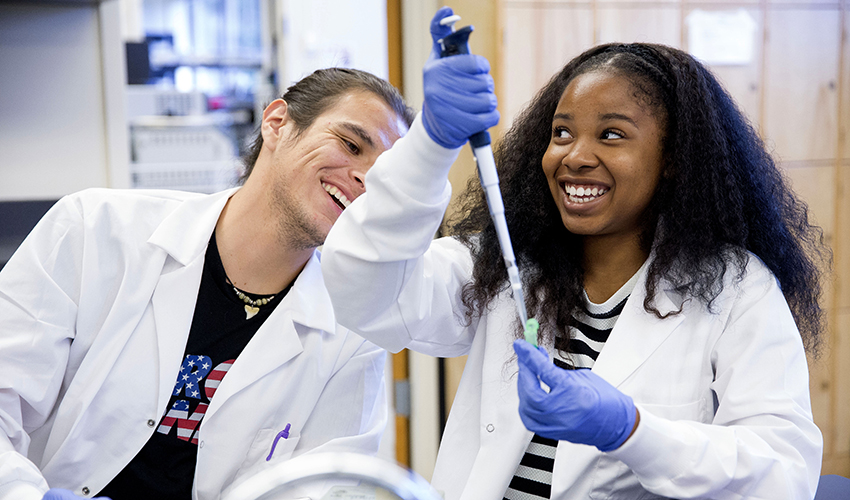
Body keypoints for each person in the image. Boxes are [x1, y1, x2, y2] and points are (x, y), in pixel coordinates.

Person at [321, 7, 827, 500]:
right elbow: (365, 291)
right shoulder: (507, 267)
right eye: (561, 132)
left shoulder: (735, 288)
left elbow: (783, 475)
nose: (575, 156)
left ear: (673, 159)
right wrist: (430, 143)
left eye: (612, 135)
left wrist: (630, 430)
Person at [0, 67, 417, 500]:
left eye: (383, 175)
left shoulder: (351, 329)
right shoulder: (93, 230)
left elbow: (329, 488)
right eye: (351, 145)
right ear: (277, 123)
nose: (365, 179)